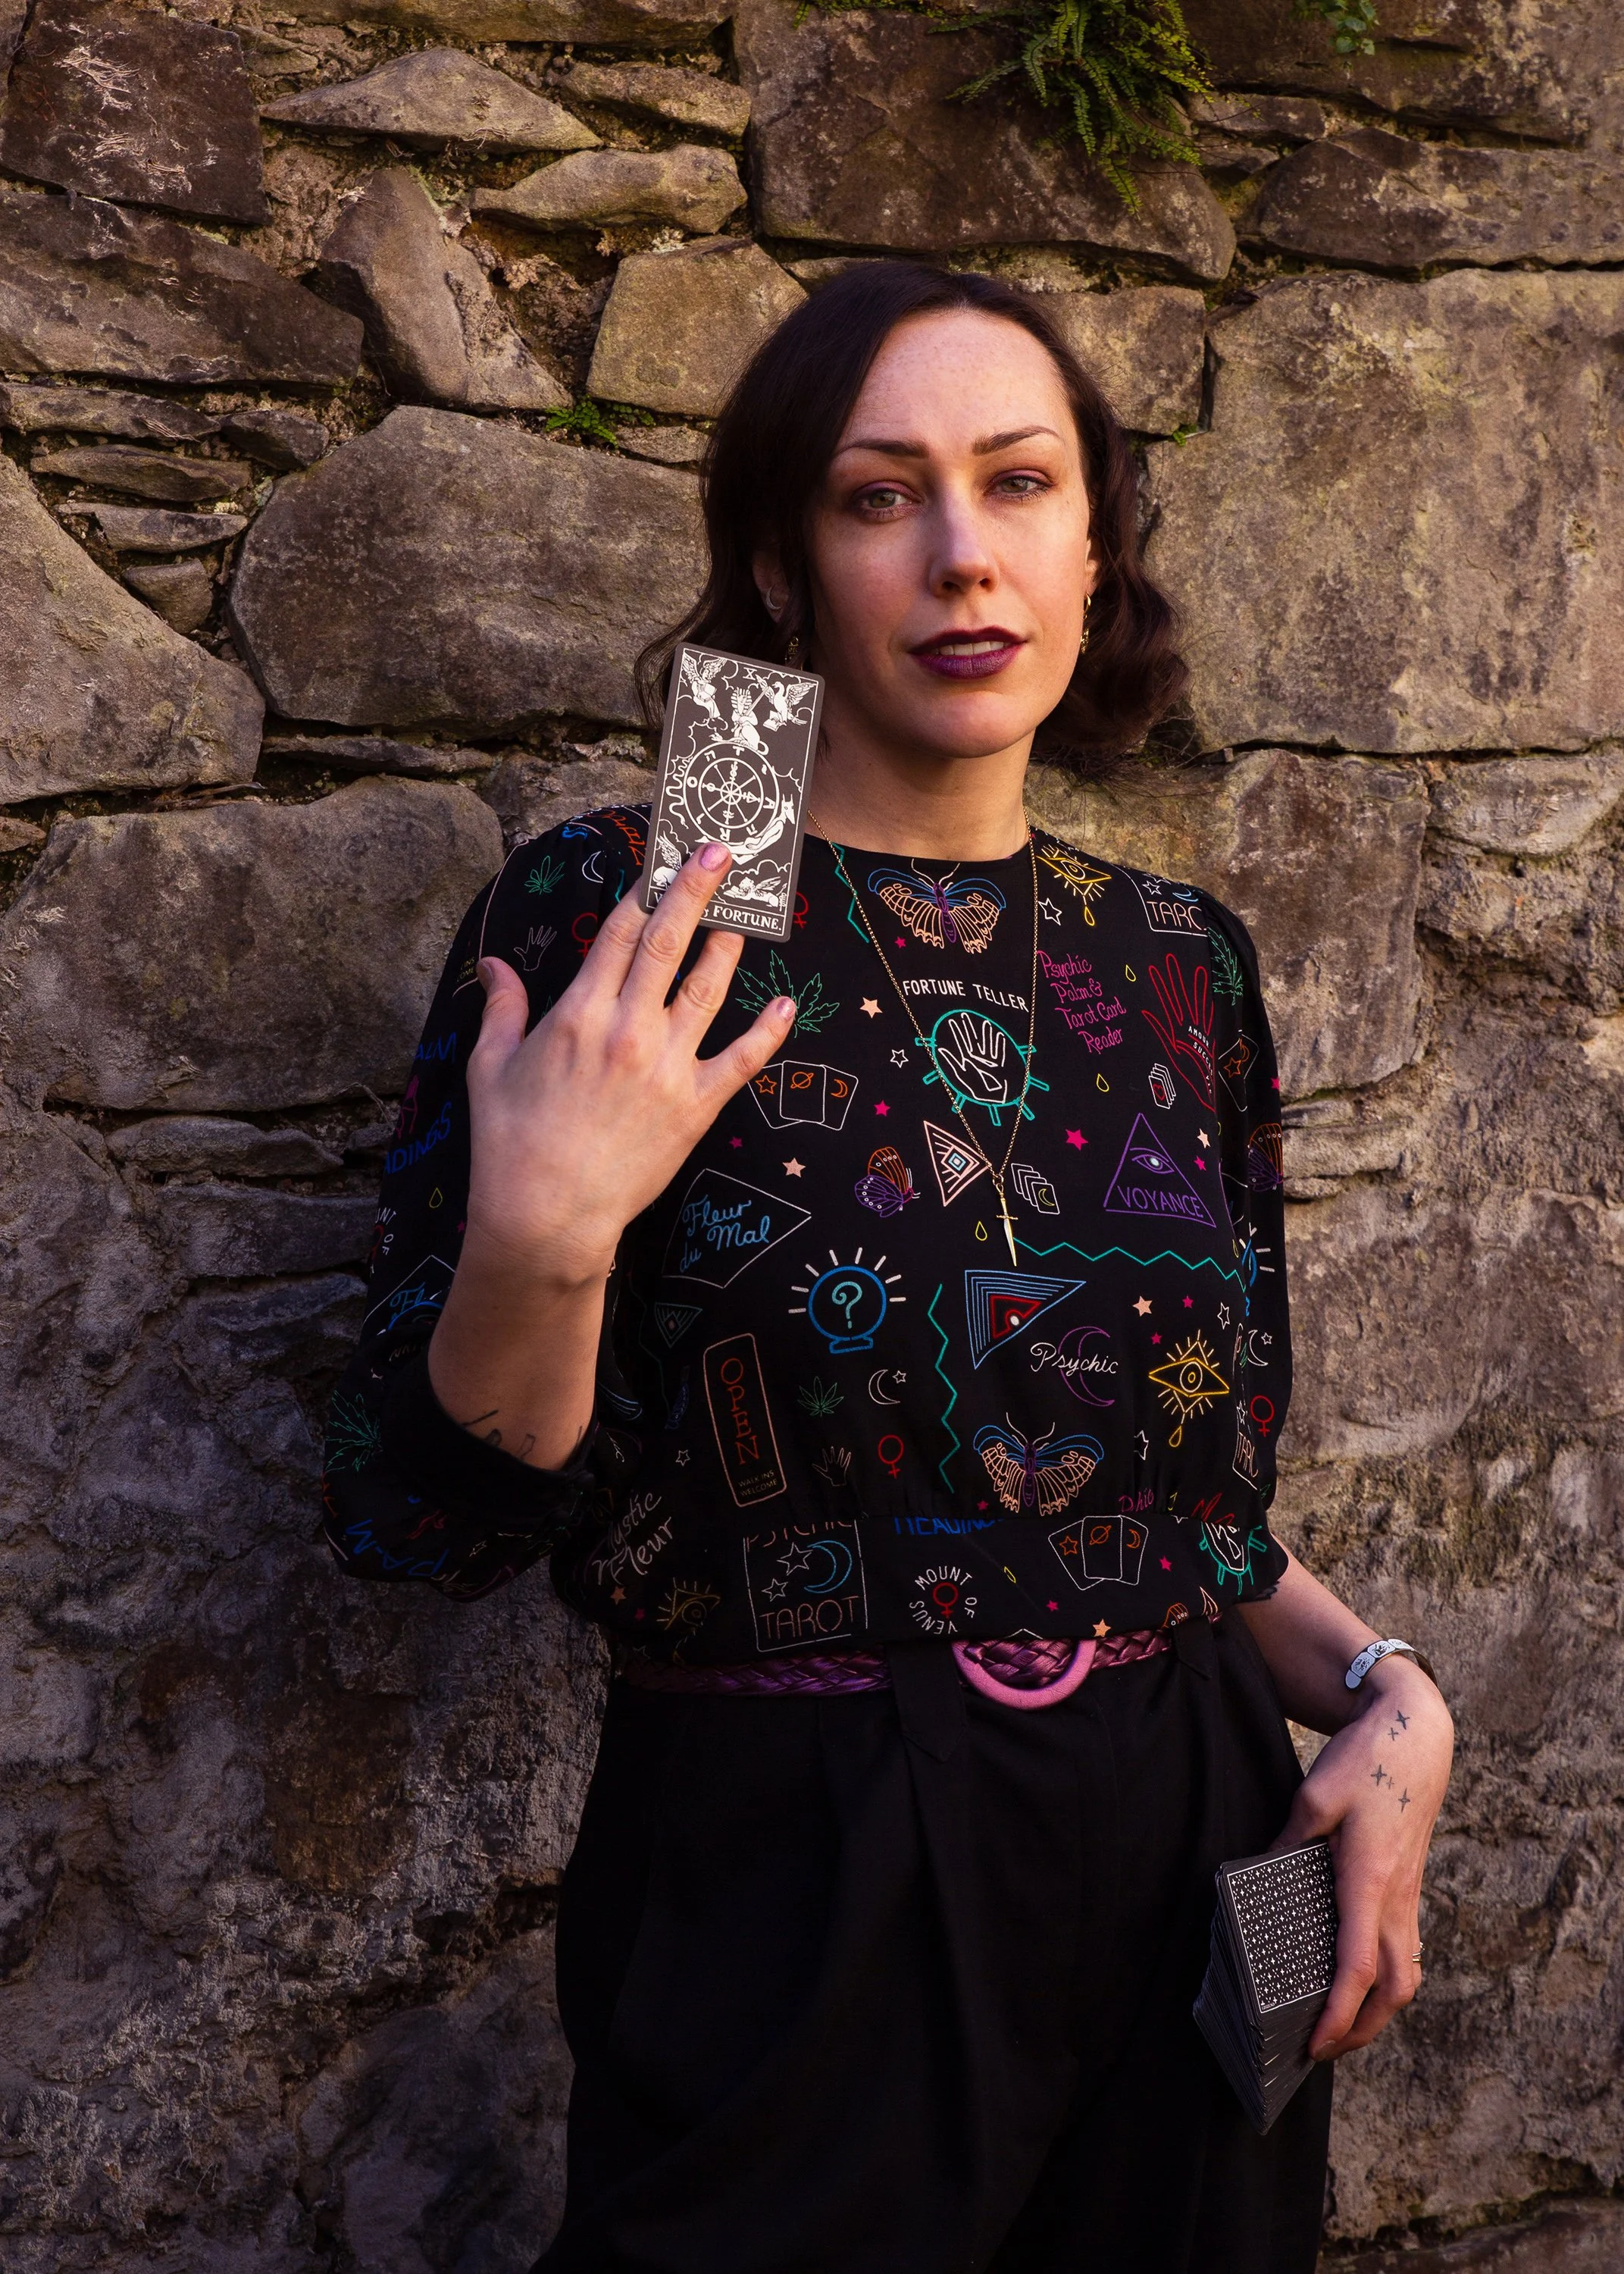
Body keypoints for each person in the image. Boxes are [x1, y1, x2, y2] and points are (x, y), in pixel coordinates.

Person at [322, 262, 1454, 2273]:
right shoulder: (641, 910)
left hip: (1214, 1822)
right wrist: (544, 1240)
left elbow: (1186, 1517)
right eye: (876, 497)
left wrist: (1390, 1704)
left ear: (1091, 541)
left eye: (1017, 485)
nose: (959, 554)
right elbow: (426, 1513)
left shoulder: (1177, 960)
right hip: (797, 1845)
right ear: (780, 566)